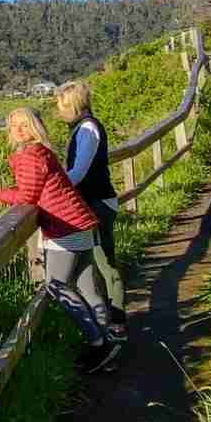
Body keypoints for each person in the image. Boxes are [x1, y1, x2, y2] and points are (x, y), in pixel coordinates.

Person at [0, 107, 121, 373]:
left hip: (65, 228)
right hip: (80, 223)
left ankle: (98, 343)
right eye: (14, 125)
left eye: (24, 124)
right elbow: (34, 190)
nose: (18, 129)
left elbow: (27, 196)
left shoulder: (31, 155)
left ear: (34, 127)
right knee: (87, 287)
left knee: (56, 285)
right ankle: (106, 344)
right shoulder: (42, 152)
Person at [56, 80, 125, 327]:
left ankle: (116, 321)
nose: (60, 112)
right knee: (95, 265)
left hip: (98, 205)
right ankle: (108, 319)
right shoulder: (84, 127)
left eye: (63, 106)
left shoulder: (87, 129)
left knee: (104, 264)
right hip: (94, 203)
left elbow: (79, 171)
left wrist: (53, 189)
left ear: (74, 105)